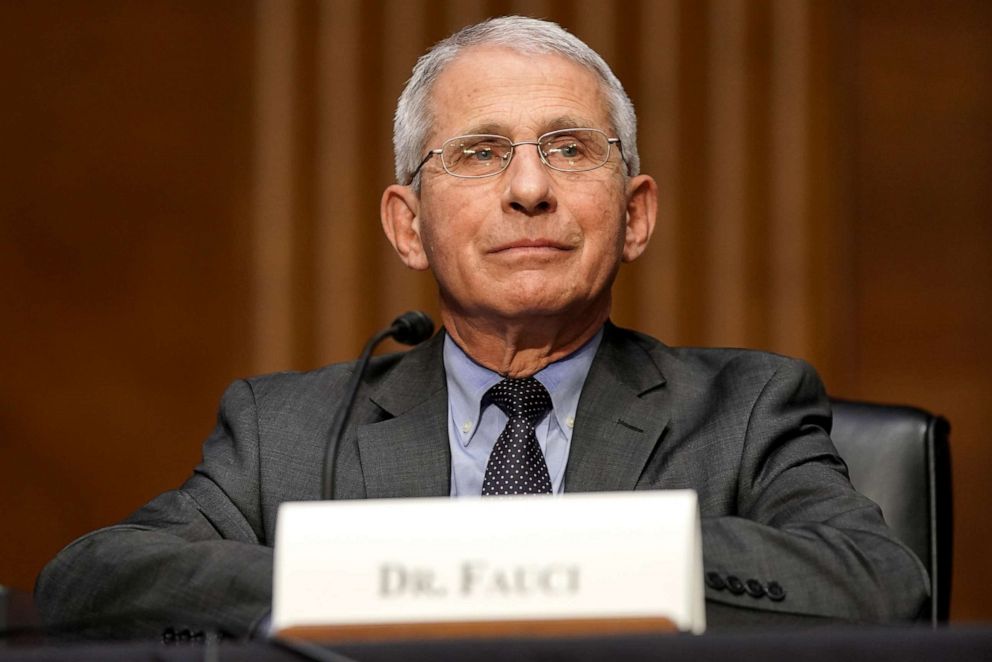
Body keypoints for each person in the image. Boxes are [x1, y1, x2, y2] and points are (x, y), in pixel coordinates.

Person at [35, 16, 928, 639]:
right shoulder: (285, 433)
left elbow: (879, 585)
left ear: (635, 214)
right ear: (408, 225)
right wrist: (376, 578)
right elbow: (88, 580)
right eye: (480, 152)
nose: (530, 187)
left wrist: (570, 553)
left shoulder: (748, 408)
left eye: (571, 148)